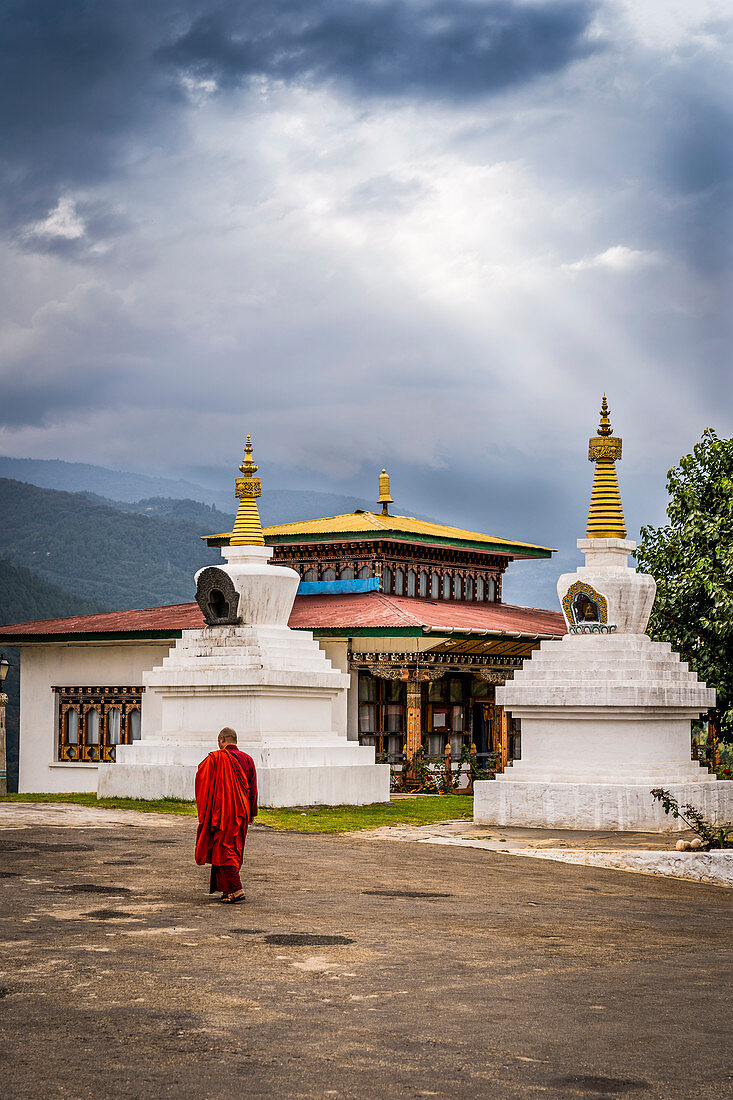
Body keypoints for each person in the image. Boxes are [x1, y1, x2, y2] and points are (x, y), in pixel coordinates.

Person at [195, 727, 258, 904]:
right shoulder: (248, 759)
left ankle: (236, 888)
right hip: (242, 811)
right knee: (233, 848)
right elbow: (253, 789)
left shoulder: (216, 758)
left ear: (222, 739)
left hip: (223, 812)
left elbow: (202, 778)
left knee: (225, 848)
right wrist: (252, 812)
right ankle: (226, 890)